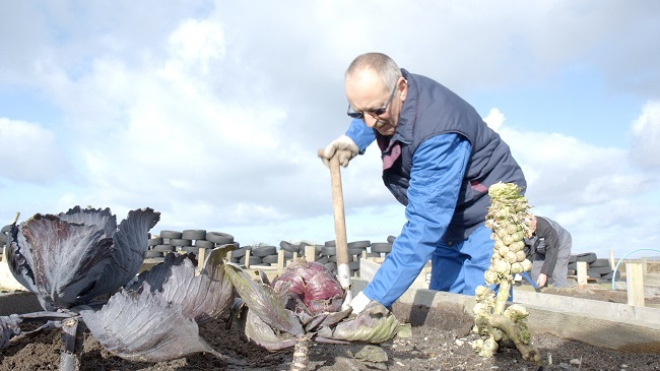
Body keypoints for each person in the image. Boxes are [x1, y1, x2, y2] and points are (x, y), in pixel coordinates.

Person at [320, 52, 526, 313]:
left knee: (483, 309)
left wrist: (372, 298)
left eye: (377, 111)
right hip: (452, 213)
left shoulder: (438, 134)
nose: (370, 121)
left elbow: (425, 223)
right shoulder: (388, 95)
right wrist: (353, 139)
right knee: (444, 305)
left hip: (490, 209)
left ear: (401, 89)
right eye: (359, 112)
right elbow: (371, 108)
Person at [523, 215, 572, 288]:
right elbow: (526, 248)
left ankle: (560, 292)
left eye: (532, 227)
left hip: (560, 245)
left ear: (535, 221)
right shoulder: (523, 230)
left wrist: (544, 273)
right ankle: (539, 294)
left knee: (558, 273)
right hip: (541, 248)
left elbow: (552, 250)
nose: (530, 230)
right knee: (535, 272)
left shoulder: (546, 227)